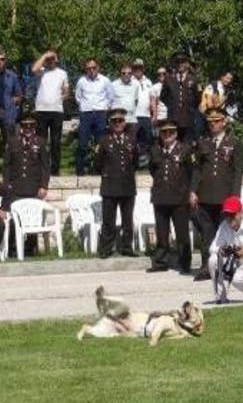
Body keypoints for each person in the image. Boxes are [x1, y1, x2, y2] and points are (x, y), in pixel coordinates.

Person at [189, 107, 243, 281]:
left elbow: (237, 171)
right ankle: (207, 266)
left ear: (224, 121)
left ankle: (227, 265)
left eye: (217, 121)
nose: (213, 124)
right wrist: (192, 190)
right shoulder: (202, 142)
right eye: (210, 122)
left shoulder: (234, 142)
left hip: (225, 196)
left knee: (226, 233)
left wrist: (235, 196)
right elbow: (197, 169)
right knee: (207, 233)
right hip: (205, 195)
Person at [147, 120, 193, 274]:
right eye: (164, 132)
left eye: (170, 132)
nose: (167, 135)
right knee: (161, 233)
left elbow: (190, 172)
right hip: (160, 197)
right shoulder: (155, 150)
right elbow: (153, 170)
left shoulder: (185, 150)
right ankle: (160, 262)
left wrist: (188, 192)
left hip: (179, 198)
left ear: (176, 133)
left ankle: (184, 263)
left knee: (182, 234)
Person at [1, 116, 50, 259]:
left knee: (33, 218)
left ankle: (30, 249)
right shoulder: (13, 142)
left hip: (33, 187)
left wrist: (43, 186)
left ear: (34, 128)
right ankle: (12, 249)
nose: (28, 130)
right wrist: (7, 183)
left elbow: (45, 166)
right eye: (25, 127)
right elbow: (7, 165)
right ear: (21, 128)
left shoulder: (40, 142)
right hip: (15, 187)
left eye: (31, 127)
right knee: (13, 219)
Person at [95, 108, 139, 258]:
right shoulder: (104, 140)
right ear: (110, 123)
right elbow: (98, 164)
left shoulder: (131, 140)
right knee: (109, 220)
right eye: (114, 121)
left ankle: (126, 247)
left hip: (127, 185)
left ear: (125, 122)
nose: (118, 124)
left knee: (127, 220)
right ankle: (106, 248)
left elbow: (136, 162)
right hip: (110, 186)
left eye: (120, 121)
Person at [31, 50, 69, 175]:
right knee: (40, 141)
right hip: (41, 110)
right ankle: (40, 169)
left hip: (57, 111)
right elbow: (33, 69)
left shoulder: (63, 73)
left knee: (55, 142)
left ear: (56, 59)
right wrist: (44, 55)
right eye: (49, 59)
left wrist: (61, 97)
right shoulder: (42, 71)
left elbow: (67, 92)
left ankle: (55, 170)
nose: (50, 61)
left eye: (52, 58)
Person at [74, 58, 114, 176]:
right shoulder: (81, 81)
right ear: (85, 69)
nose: (91, 70)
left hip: (100, 113)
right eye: (88, 68)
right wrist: (83, 107)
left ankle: (99, 169)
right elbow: (78, 97)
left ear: (98, 67)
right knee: (82, 143)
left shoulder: (105, 80)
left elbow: (110, 96)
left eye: (93, 67)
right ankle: (80, 170)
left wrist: (105, 108)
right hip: (86, 114)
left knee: (100, 144)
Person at [161, 52, 199, 142]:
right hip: (173, 118)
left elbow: (197, 98)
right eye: (177, 62)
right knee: (173, 143)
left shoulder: (193, 79)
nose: (180, 64)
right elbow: (163, 96)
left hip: (188, 118)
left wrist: (190, 108)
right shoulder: (169, 79)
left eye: (182, 62)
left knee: (187, 145)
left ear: (187, 64)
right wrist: (172, 105)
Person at [131, 59, 154, 161]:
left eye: (140, 67)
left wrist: (154, 114)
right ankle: (133, 162)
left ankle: (145, 162)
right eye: (136, 67)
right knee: (133, 139)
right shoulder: (130, 80)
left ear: (143, 68)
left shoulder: (148, 81)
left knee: (147, 139)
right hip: (133, 115)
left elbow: (152, 98)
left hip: (146, 115)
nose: (138, 69)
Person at [111, 64, 139, 133]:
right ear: (120, 74)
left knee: (132, 142)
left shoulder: (136, 85)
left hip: (131, 119)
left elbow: (136, 100)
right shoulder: (113, 85)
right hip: (118, 119)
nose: (126, 75)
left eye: (129, 73)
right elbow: (110, 101)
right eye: (124, 73)